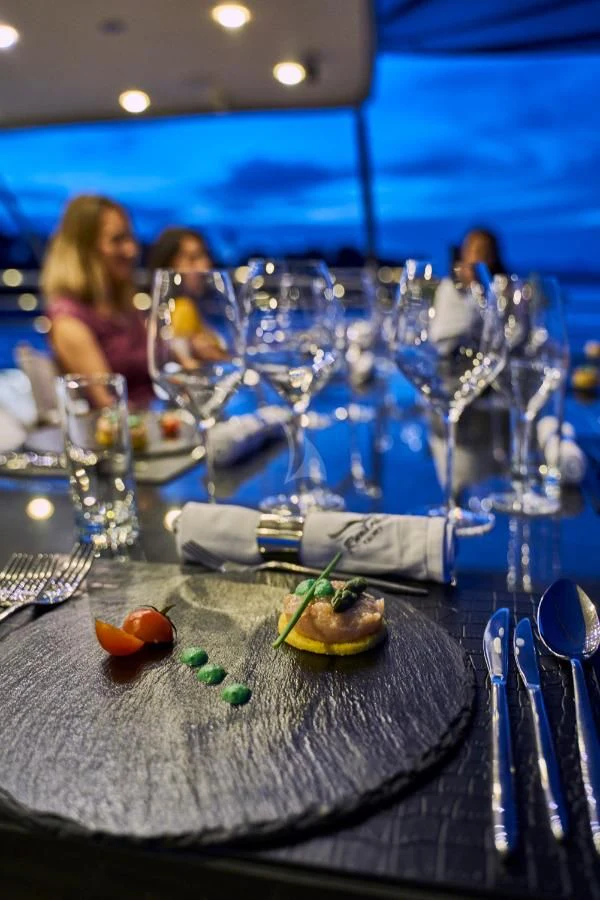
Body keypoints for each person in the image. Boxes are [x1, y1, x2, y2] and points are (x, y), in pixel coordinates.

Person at [41, 194, 154, 407]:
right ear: (83, 249)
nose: (132, 250)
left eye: (131, 238)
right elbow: (111, 406)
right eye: (117, 240)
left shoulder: (124, 307)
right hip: (121, 435)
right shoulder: (68, 319)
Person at [148, 226, 226, 362]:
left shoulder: (206, 311)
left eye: (205, 256)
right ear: (169, 265)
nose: (205, 266)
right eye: (192, 258)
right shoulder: (181, 310)